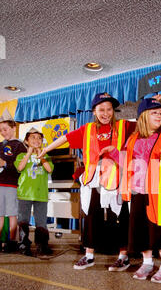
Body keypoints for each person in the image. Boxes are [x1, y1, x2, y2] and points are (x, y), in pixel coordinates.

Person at [38, 92, 135, 270]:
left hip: (116, 178)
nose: (105, 113)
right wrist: (45, 150)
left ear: (114, 111)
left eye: (109, 109)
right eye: (101, 110)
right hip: (93, 178)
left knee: (119, 216)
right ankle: (89, 255)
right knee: (91, 216)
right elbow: (64, 138)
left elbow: (143, 130)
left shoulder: (124, 126)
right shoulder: (87, 129)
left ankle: (123, 256)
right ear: (94, 111)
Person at [101, 98, 161, 283]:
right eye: (154, 113)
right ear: (143, 116)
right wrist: (111, 152)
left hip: (158, 191)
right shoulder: (133, 139)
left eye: (160, 113)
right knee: (141, 228)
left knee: (160, 227)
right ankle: (147, 262)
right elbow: (125, 159)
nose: (159, 116)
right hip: (137, 191)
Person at [15, 127, 54, 257]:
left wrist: (41, 155)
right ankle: (24, 245)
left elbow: (49, 169)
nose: (36, 140)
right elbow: (20, 167)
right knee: (23, 220)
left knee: (41, 222)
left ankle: (42, 246)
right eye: (33, 137)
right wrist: (29, 153)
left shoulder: (46, 155)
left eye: (39, 138)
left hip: (40, 195)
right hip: (24, 194)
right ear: (26, 141)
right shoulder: (21, 155)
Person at [0, 109, 27, 252]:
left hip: (11, 184)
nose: (3, 132)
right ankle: (1, 241)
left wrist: (5, 164)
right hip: (0, 183)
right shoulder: (1, 145)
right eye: (0, 130)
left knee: (11, 213)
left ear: (13, 128)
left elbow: (20, 167)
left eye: (5, 129)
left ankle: (11, 241)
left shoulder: (19, 145)